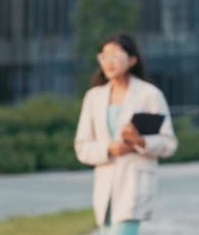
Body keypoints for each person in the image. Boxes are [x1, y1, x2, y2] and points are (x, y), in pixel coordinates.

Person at [75, 34, 178, 235]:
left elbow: (169, 143)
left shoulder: (149, 95)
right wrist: (108, 148)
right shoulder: (94, 97)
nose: (109, 61)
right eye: (104, 56)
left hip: (134, 183)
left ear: (132, 60)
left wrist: (139, 141)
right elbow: (82, 146)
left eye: (115, 55)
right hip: (105, 187)